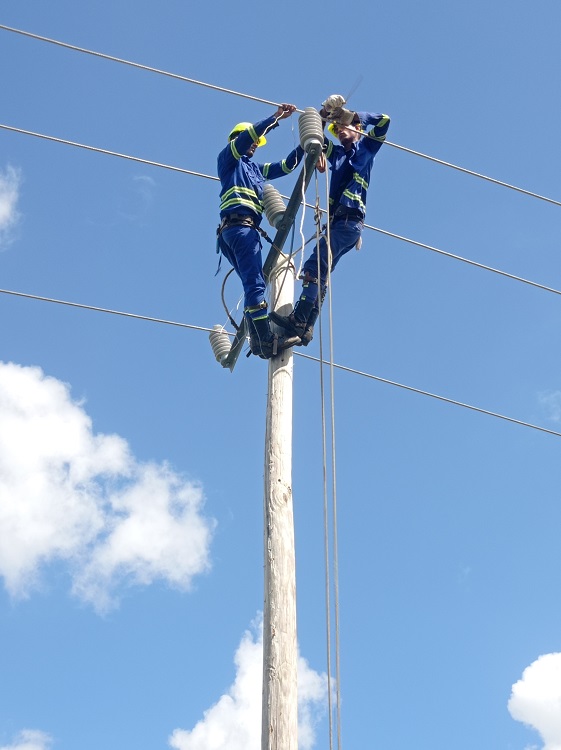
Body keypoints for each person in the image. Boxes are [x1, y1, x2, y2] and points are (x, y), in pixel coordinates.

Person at [270, 94, 390, 346]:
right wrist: (324, 114)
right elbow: (315, 137)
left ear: (359, 131)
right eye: (338, 129)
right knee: (320, 272)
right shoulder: (335, 153)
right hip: (339, 224)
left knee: (314, 266)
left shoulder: (367, 149)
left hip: (350, 222)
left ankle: (299, 320)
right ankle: (306, 327)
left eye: (347, 127)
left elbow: (384, 121)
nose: (341, 130)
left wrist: (354, 116)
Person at [217, 104, 305, 359]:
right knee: (255, 284)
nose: (255, 145)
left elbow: (287, 166)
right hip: (240, 230)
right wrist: (276, 117)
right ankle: (266, 338)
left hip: (240, 231)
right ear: (236, 139)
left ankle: (257, 337)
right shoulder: (228, 160)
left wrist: (310, 142)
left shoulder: (255, 170)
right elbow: (248, 136)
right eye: (253, 142)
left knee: (251, 284)